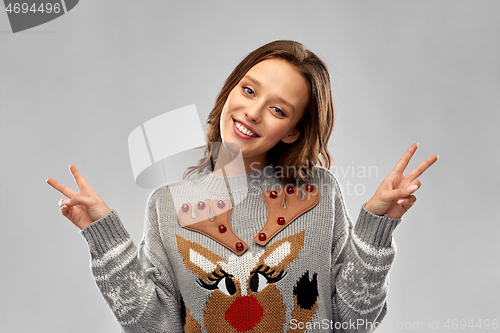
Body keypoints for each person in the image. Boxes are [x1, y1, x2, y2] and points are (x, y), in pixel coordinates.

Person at [46, 40, 438, 333]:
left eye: (278, 109)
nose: (252, 112)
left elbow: (355, 321)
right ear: (231, 89)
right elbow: (156, 326)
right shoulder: (167, 205)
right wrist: (103, 235)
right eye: (249, 91)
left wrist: (375, 227)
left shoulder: (322, 194)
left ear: (293, 132)